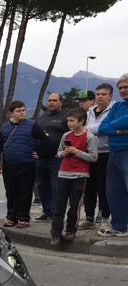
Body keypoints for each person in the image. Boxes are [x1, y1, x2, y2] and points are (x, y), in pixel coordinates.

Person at [0, 101, 50, 229]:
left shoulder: (32, 125)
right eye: (19, 111)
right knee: (10, 191)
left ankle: (23, 218)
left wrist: (40, 153)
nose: (22, 113)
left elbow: (45, 139)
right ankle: (11, 217)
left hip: (27, 164)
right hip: (9, 164)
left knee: (24, 191)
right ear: (11, 113)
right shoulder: (5, 127)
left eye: (23, 110)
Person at [49, 108, 98, 246]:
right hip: (63, 173)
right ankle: (56, 233)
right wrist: (62, 154)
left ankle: (71, 229)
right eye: (68, 121)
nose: (69, 123)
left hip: (80, 174)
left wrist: (76, 152)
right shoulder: (66, 135)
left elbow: (93, 157)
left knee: (75, 205)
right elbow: (59, 152)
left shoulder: (89, 137)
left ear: (81, 121)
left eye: (72, 121)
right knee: (59, 204)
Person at [79, 83, 115, 230]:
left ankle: (104, 214)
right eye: (98, 94)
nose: (100, 96)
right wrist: (97, 129)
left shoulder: (113, 110)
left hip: (106, 153)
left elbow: (109, 128)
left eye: (104, 94)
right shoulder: (88, 113)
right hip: (89, 154)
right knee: (88, 188)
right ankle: (88, 216)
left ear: (110, 96)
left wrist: (88, 128)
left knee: (104, 187)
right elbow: (80, 129)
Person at [97, 73, 128, 237]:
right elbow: (102, 127)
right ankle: (120, 227)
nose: (123, 90)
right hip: (114, 153)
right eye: (120, 88)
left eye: (126, 87)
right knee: (114, 192)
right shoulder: (117, 106)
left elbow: (111, 124)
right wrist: (120, 130)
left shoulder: (116, 109)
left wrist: (113, 126)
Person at [34, 93, 69, 222]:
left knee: (56, 187)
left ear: (61, 102)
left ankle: (56, 213)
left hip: (57, 159)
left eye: (55, 100)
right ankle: (47, 211)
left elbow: (71, 135)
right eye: (49, 100)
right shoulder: (41, 119)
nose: (51, 103)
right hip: (40, 159)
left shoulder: (65, 117)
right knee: (42, 185)